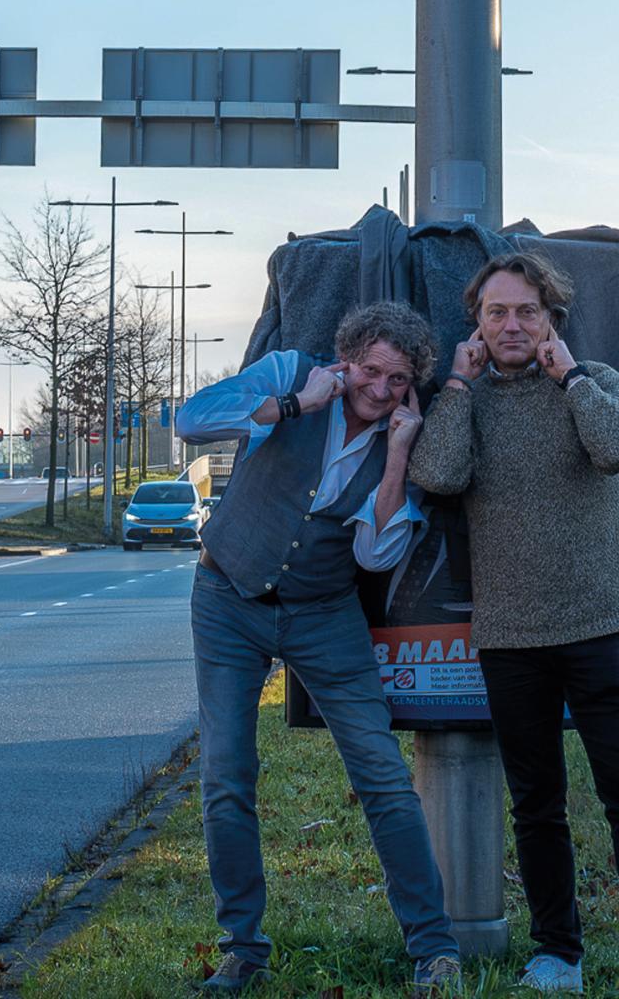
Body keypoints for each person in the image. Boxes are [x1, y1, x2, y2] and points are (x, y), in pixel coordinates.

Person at [409, 255, 619, 999]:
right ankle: (557, 954)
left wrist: (569, 376)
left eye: (526, 312)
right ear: (475, 323)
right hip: (511, 635)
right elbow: (437, 475)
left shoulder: (597, 383)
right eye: (496, 312)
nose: (511, 325)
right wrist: (456, 384)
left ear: (552, 319)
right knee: (537, 805)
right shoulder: (466, 396)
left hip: (600, 624)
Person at [177, 301, 461, 994]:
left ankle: (433, 948)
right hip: (228, 596)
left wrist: (396, 453)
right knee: (227, 775)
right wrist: (296, 405)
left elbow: (376, 551)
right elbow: (190, 423)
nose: (381, 390)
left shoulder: (407, 433)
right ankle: (243, 947)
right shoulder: (289, 373)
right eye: (371, 371)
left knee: (380, 773)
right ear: (347, 359)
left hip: (324, 610)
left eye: (398, 380)